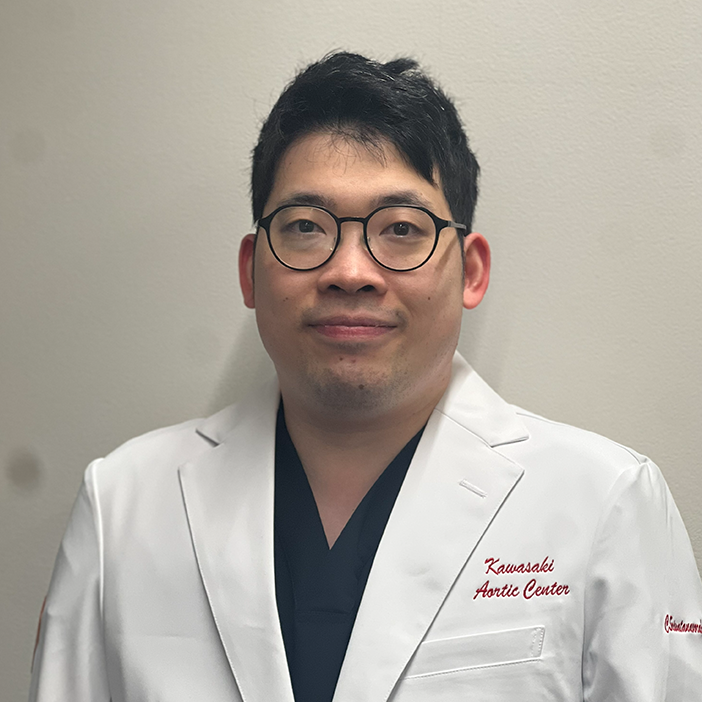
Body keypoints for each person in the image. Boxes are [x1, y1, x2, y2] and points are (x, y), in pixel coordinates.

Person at [30, 52, 702, 702]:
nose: (350, 272)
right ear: (250, 271)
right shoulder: (121, 506)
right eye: (304, 226)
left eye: (401, 228)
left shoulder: (605, 502)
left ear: (471, 272)